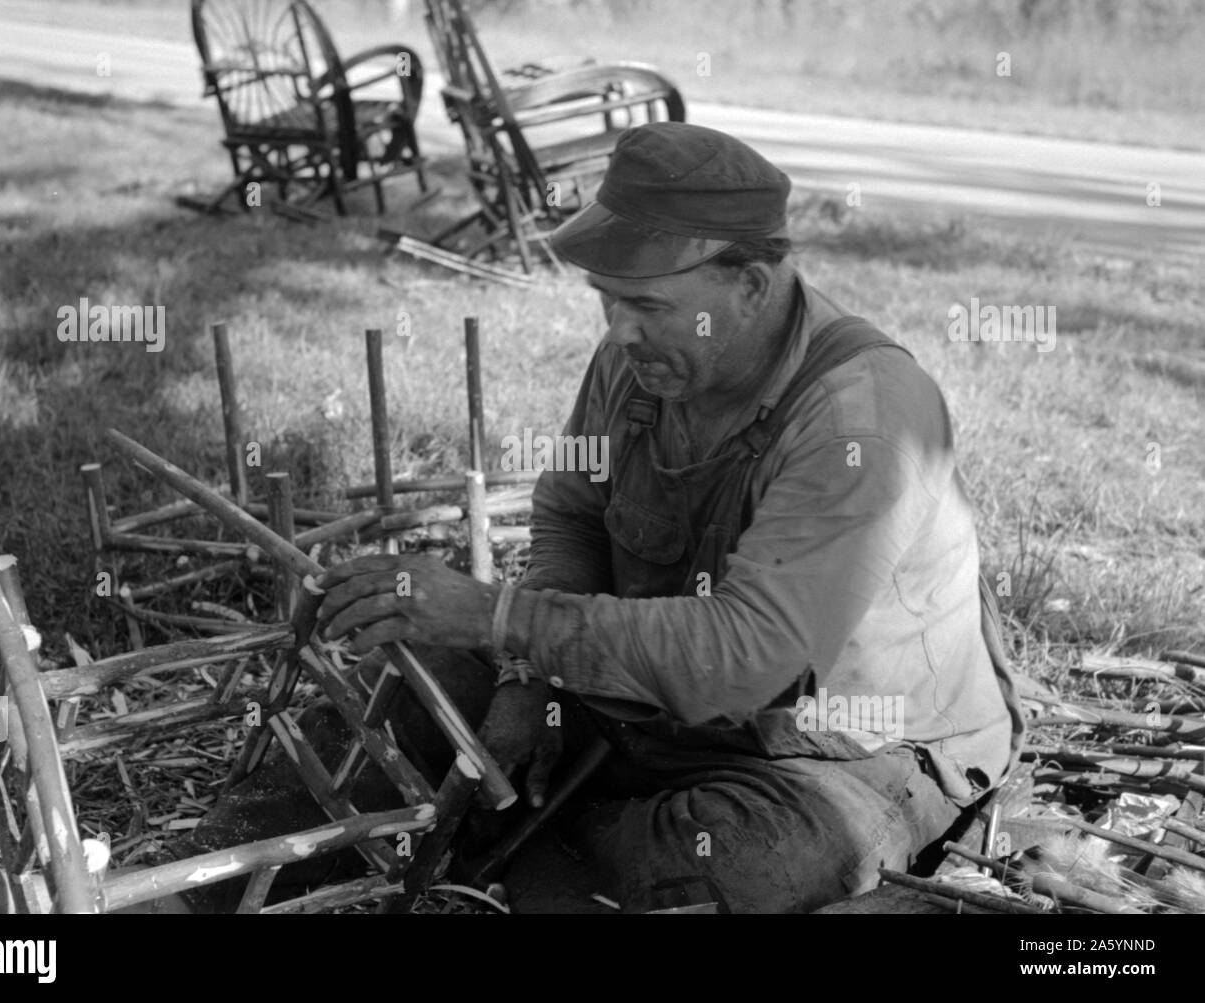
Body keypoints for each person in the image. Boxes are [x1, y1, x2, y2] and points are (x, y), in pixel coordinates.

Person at [181, 121, 1023, 914]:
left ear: (753, 284)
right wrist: (527, 680)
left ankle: (526, 837)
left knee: (720, 867)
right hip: (650, 712)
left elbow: (740, 663)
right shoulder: (644, 357)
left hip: (842, 754)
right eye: (605, 300)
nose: (618, 332)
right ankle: (197, 889)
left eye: (646, 305)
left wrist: (500, 618)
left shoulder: (862, 420)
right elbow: (573, 515)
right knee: (417, 684)